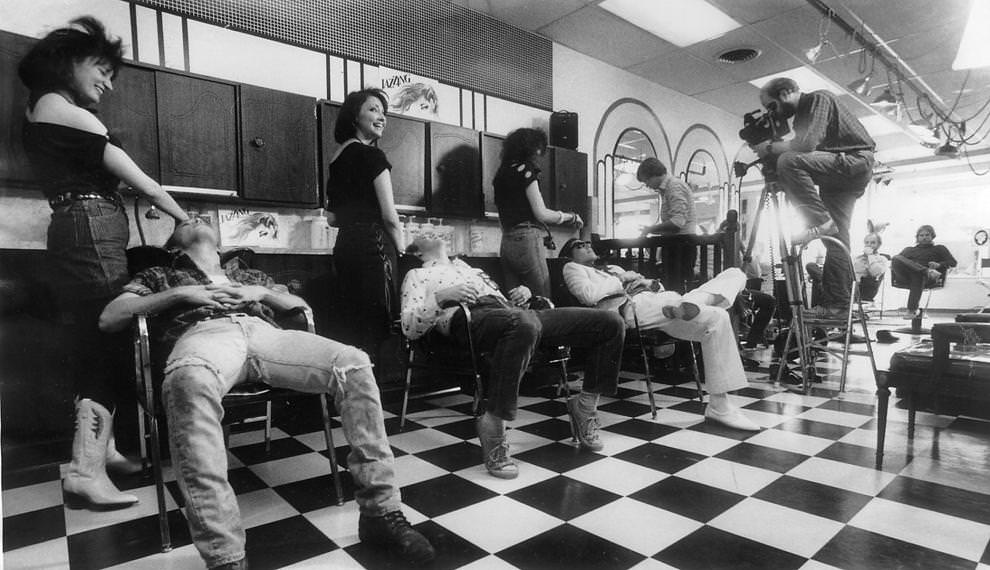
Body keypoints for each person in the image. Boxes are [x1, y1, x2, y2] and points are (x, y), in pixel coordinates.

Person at [99, 218, 435, 569]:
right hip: (204, 334)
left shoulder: (247, 274)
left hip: (264, 333)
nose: (196, 218)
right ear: (174, 246)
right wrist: (181, 294)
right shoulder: (159, 274)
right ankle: (224, 555)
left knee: (354, 363)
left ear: (219, 243)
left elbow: (298, 304)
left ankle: (381, 512)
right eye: (187, 220)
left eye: (202, 218)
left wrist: (259, 294)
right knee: (188, 382)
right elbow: (110, 317)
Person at [18, 16, 189, 510]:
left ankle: (103, 449)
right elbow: (139, 178)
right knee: (107, 339)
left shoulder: (46, 110)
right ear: (69, 61)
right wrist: (179, 215)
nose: (107, 83)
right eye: (101, 68)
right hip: (90, 226)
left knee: (95, 338)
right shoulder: (64, 109)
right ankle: (85, 470)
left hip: (82, 225)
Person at [400, 236, 624, 479]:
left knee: (611, 322)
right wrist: (441, 297)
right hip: (466, 318)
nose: (434, 231)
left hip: (512, 313)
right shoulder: (416, 275)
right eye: (426, 233)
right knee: (523, 322)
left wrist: (523, 296)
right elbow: (410, 326)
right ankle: (493, 422)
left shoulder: (472, 270)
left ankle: (585, 406)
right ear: (418, 252)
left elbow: (508, 308)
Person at [558, 238, 760, 431]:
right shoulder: (572, 268)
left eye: (587, 243)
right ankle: (684, 305)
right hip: (632, 310)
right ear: (569, 255)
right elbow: (588, 295)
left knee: (729, 291)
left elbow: (654, 287)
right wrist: (622, 279)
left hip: (659, 302)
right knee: (711, 311)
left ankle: (719, 404)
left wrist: (651, 284)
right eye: (579, 245)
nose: (586, 245)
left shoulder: (613, 268)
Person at [753, 77, 876, 318]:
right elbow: (804, 148)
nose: (772, 113)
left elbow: (806, 145)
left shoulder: (819, 98)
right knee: (836, 239)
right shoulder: (801, 118)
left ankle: (820, 222)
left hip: (853, 162)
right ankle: (838, 305)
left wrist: (769, 148)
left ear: (787, 92)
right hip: (839, 176)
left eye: (772, 106)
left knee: (788, 160)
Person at [325, 88, 404, 360]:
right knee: (378, 325)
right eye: (373, 109)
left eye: (383, 112)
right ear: (354, 116)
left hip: (346, 245)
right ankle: (375, 398)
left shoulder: (337, 158)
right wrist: (402, 249)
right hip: (375, 244)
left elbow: (333, 218)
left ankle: (353, 395)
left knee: (352, 324)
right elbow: (390, 218)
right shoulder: (373, 156)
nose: (381, 117)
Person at [494, 127, 582, 298]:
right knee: (542, 298)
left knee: (516, 301)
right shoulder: (527, 169)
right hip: (527, 240)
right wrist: (570, 217)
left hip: (506, 243)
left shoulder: (501, 174)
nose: (540, 154)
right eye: (540, 149)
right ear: (533, 148)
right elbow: (541, 214)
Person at [636, 158, 698, 291]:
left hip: (681, 246)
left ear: (653, 174)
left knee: (676, 288)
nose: (647, 185)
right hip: (679, 245)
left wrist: (650, 229)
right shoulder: (669, 188)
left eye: (646, 180)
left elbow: (677, 222)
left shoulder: (674, 186)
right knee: (674, 287)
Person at [891, 225, 957, 318]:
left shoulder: (939, 248)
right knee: (896, 257)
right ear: (917, 237)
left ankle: (912, 310)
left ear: (932, 236)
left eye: (927, 235)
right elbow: (897, 261)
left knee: (917, 275)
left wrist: (939, 265)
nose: (924, 237)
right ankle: (925, 271)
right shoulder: (909, 250)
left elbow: (953, 262)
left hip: (928, 279)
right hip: (905, 277)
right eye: (921, 235)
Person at [853, 232, 890, 303]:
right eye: (867, 242)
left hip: (867, 288)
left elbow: (875, 273)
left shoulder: (882, 259)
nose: (869, 245)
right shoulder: (857, 258)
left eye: (873, 243)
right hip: (852, 287)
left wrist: (870, 256)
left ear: (878, 245)